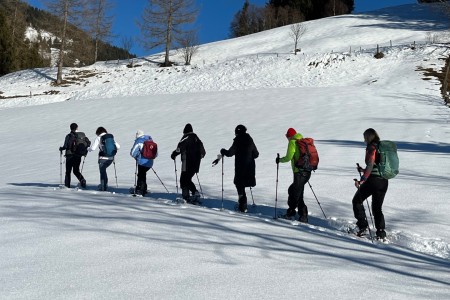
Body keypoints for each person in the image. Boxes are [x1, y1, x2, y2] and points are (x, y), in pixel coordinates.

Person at [353, 128, 389, 239]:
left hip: (373, 181)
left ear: (368, 137)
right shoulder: (381, 147)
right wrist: (364, 171)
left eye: (365, 137)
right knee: (377, 207)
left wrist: (362, 180)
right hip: (384, 181)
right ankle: (381, 232)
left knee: (357, 201)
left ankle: (362, 227)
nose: (364, 139)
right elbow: (376, 166)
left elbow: (370, 165)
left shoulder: (371, 147)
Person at [220, 124, 259, 212]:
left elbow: (230, 153)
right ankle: (243, 204)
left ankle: (243, 206)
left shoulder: (237, 140)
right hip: (250, 168)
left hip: (240, 168)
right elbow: (256, 154)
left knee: (240, 185)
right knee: (244, 183)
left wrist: (223, 151)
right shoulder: (250, 139)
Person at [276, 127, 310, 222]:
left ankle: (292, 213)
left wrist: (279, 160)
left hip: (299, 173)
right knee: (298, 193)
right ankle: (302, 215)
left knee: (293, 192)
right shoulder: (302, 140)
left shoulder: (293, 142)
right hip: (307, 172)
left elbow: (288, 157)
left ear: (289, 136)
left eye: (287, 136)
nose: (287, 138)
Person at [171, 123, 206, 202]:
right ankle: (195, 193)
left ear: (185, 131)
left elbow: (179, 148)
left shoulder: (186, 137)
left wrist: (174, 154)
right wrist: (197, 158)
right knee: (187, 179)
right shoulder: (197, 139)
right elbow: (203, 152)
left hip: (187, 163)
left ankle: (186, 197)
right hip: (196, 164)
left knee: (183, 180)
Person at [87, 127, 120, 191]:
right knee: (104, 171)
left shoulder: (99, 138)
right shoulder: (110, 138)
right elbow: (118, 147)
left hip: (103, 158)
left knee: (102, 172)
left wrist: (88, 149)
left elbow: (93, 148)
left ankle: (103, 187)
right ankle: (105, 184)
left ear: (98, 132)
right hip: (111, 158)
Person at [59, 123, 90, 188]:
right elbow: (87, 143)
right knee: (76, 170)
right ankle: (82, 180)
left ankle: (67, 186)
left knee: (68, 171)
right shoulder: (82, 136)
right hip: (78, 155)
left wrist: (61, 148)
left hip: (69, 155)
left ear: (70, 128)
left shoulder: (69, 136)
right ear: (77, 128)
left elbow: (65, 146)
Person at [130, 130, 155, 196]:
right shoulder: (150, 140)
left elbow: (132, 153)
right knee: (142, 174)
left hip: (142, 162)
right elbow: (156, 153)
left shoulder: (139, 141)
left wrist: (136, 157)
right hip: (150, 162)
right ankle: (143, 189)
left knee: (141, 175)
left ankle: (140, 190)